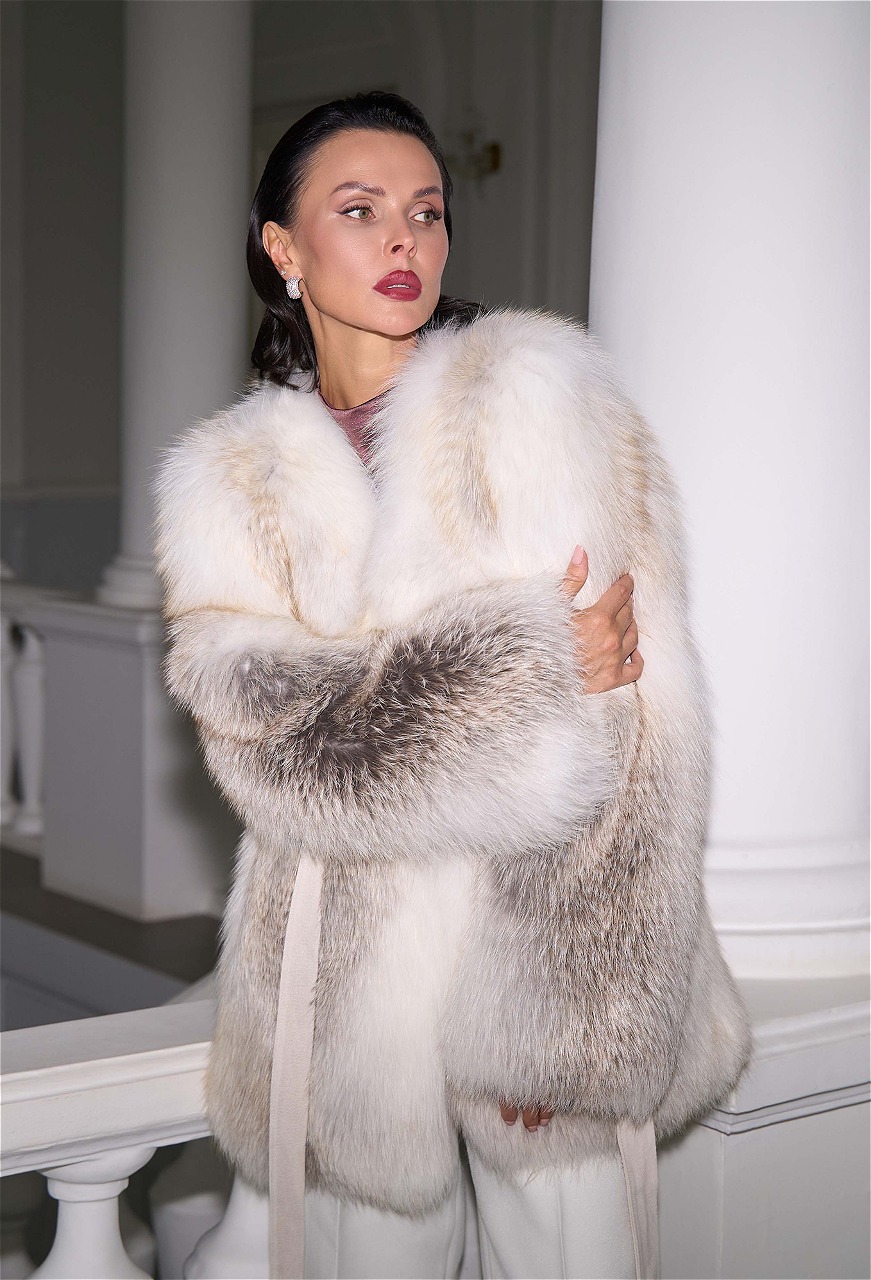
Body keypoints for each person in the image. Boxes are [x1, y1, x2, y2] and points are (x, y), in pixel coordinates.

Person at [154, 92, 752, 1280]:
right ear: (281, 247)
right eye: (359, 209)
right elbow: (265, 752)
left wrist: (567, 1023)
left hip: (534, 961)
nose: (403, 238)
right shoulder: (227, 479)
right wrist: (524, 670)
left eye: (426, 211)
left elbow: (637, 739)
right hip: (335, 990)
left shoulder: (534, 402)